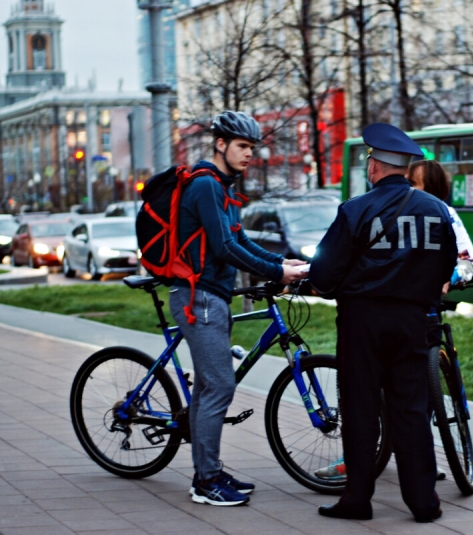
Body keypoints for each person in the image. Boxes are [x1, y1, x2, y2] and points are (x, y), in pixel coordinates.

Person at [309, 123, 457, 523]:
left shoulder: (355, 210)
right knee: (411, 408)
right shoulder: (437, 210)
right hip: (413, 320)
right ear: (406, 169)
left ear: (374, 166)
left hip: (362, 321)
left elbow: (323, 274)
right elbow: (448, 266)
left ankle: (357, 499)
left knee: (360, 409)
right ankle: (423, 501)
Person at [170, 110, 307, 507]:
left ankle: (207, 468)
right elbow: (224, 249)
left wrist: (283, 263)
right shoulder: (206, 187)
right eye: (243, 146)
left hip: (212, 297)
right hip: (198, 299)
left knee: (210, 386)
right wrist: (274, 272)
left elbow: (240, 238)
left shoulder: (223, 186)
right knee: (220, 386)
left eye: (252, 148)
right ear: (220, 144)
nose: (250, 154)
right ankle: (205, 481)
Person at [408, 159, 473, 289]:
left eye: (411, 183)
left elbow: (470, 263)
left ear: (430, 189)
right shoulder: (388, 210)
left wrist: (450, 277)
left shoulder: (447, 215)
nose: (404, 188)